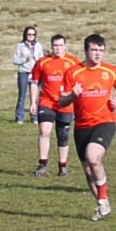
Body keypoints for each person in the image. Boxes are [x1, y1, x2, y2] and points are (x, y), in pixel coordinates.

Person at [67, 34, 116, 220]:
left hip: (105, 122)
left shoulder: (110, 71)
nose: (98, 54)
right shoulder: (73, 73)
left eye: (101, 50)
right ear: (86, 51)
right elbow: (61, 101)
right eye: (94, 50)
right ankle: (104, 204)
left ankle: (102, 201)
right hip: (81, 127)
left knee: (93, 158)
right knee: (88, 171)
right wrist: (72, 96)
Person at [31, 35, 81, 176]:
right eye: (55, 46)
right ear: (51, 46)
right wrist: (33, 102)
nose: (58, 48)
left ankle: (62, 166)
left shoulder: (73, 62)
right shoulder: (43, 62)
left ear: (65, 46)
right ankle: (42, 164)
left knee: (63, 136)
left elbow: (79, 84)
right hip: (47, 102)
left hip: (65, 104)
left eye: (60, 45)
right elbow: (34, 82)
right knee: (44, 132)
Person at [13, 26, 44, 122]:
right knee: (22, 95)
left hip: (35, 73)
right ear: (25, 35)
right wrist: (25, 59)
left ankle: (34, 117)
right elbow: (15, 60)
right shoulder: (20, 46)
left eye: (33, 34)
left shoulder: (38, 46)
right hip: (23, 72)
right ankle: (19, 117)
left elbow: (42, 59)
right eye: (29, 34)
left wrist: (37, 59)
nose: (31, 36)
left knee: (34, 96)